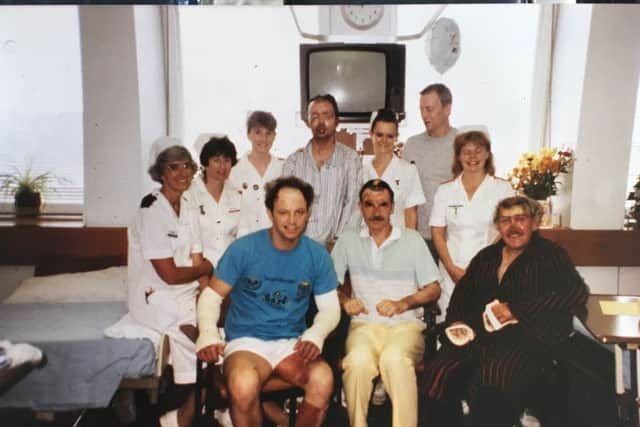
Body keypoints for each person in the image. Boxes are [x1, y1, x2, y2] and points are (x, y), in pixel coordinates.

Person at [423, 196, 589, 427]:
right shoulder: (487, 256)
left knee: (494, 376)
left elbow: (575, 295)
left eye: (520, 219)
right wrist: (458, 324)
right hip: (480, 336)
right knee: (438, 372)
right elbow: (463, 294)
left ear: (534, 222)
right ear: (498, 226)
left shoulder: (550, 255)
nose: (512, 227)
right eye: (505, 220)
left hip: (528, 339)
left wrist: (517, 310)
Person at [195, 176, 341, 427]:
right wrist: (208, 333)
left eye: (299, 212)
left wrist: (316, 334)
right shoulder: (243, 249)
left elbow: (330, 308)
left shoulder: (317, 256)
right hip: (246, 342)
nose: (292, 221)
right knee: (243, 385)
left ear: (308, 214)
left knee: (323, 378)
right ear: (269, 213)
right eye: (283, 212)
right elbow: (211, 297)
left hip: (290, 343)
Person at [331, 179, 441, 427]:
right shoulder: (348, 240)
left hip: (405, 328)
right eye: (369, 205)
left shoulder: (412, 240)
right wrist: (344, 299)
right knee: (356, 362)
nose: (376, 211)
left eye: (383, 205)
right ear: (360, 207)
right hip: (364, 327)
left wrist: (404, 303)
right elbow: (328, 285)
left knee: (394, 359)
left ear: (392, 208)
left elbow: (434, 289)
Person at [127, 137, 214, 427]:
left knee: (218, 331)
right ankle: (185, 415)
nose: (182, 173)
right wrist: (204, 269)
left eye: (187, 166)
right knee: (208, 351)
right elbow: (169, 274)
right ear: (160, 172)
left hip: (185, 293)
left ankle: (190, 414)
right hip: (157, 296)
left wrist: (206, 292)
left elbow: (197, 255)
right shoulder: (151, 211)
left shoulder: (188, 206)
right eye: (173, 167)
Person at [429, 130, 514, 320]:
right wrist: (451, 268)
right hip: (451, 271)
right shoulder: (446, 190)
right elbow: (437, 232)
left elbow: (506, 230)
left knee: (485, 325)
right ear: (458, 157)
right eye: (466, 151)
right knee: (450, 325)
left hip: (489, 270)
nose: (472, 157)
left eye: (478, 150)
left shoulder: (502, 189)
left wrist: (479, 266)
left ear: (487, 154)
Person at [283, 94, 362, 247]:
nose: (321, 122)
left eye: (327, 115)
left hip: (337, 248)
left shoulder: (350, 159)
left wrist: (339, 243)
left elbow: (353, 205)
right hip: (299, 248)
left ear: (336, 121)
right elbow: (286, 207)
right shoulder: (293, 162)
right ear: (307, 122)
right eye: (315, 116)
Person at [403, 83, 457, 258]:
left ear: (447, 109)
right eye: (421, 110)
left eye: (429, 109)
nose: (424, 115)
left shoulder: (462, 144)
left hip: (452, 238)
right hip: (420, 238)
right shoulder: (412, 144)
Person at [362, 109, 425, 230]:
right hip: (366, 241)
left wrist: (409, 245)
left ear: (396, 137)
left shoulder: (409, 171)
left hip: (398, 242)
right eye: (379, 135)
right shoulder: (360, 171)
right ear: (371, 134)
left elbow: (410, 215)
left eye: (389, 136)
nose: (384, 141)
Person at [186, 135, 242, 267]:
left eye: (227, 160)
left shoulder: (236, 195)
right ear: (206, 162)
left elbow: (241, 236)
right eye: (216, 160)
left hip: (229, 269)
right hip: (196, 270)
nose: (222, 166)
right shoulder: (189, 193)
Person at [229, 110, 285, 236]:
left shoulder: (283, 170)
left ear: (274, 136)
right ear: (249, 134)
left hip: (275, 242)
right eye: (258, 132)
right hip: (244, 243)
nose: (264, 138)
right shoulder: (234, 173)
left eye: (268, 133)